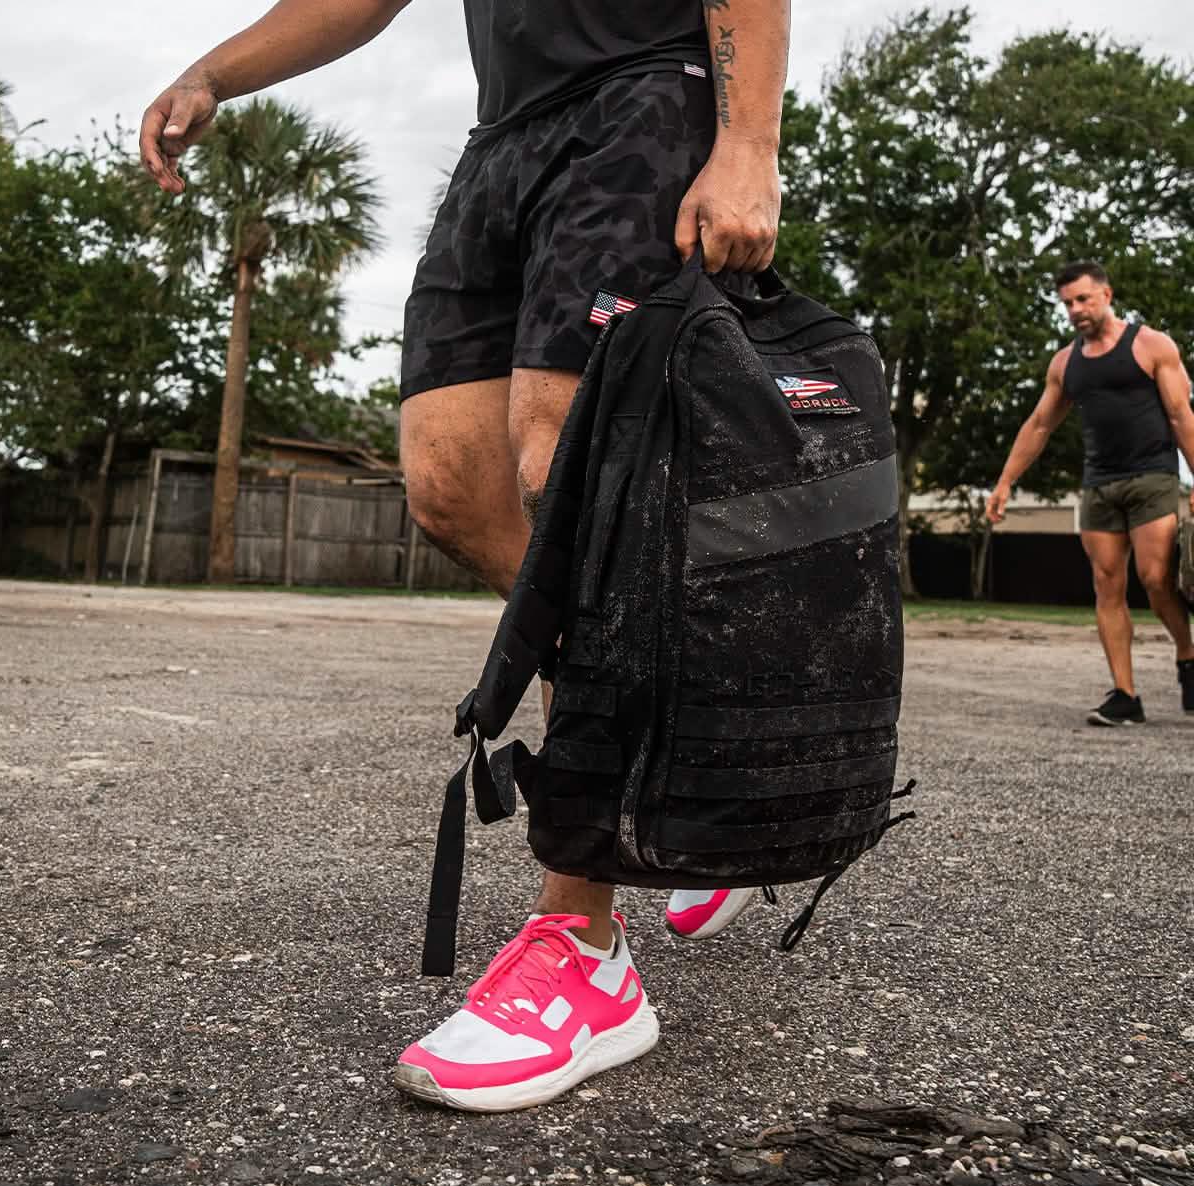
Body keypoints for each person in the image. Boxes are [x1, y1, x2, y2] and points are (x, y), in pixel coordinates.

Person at [141, 0, 790, 1110]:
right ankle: (711, 763)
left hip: (643, 98)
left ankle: (583, 943)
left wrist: (748, 141)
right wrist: (215, 72)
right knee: (451, 483)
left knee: (565, 469)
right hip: (505, 138)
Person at [986, 261, 1194, 726]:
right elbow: (1039, 424)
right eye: (1067, 303)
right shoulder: (1065, 363)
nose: (1075, 310)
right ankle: (1126, 694)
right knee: (1106, 584)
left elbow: (1181, 416)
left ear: (1106, 294)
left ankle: (1186, 652)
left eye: (1083, 299)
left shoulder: (1151, 345)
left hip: (1153, 477)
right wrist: (1004, 482)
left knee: (1157, 578)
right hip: (1099, 482)